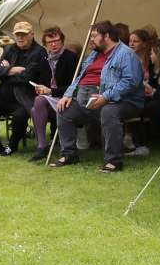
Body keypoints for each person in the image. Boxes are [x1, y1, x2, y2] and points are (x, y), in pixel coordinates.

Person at [50, 21, 146, 172]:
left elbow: (130, 82)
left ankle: (113, 160)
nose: (91, 40)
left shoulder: (125, 54)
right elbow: (80, 76)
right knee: (64, 109)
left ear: (106, 36)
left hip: (125, 101)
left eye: (94, 36)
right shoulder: (94, 54)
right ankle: (69, 154)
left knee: (108, 111)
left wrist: (106, 96)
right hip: (91, 99)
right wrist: (68, 94)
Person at [0, 20, 50, 155]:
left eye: (23, 34)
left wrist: (6, 71)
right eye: (17, 34)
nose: (20, 37)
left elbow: (26, 78)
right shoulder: (10, 49)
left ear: (31, 35)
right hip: (4, 96)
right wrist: (13, 70)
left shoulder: (39, 52)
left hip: (25, 97)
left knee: (19, 116)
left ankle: (12, 146)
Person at [27, 26, 79, 162]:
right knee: (37, 103)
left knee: (36, 105)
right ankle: (42, 146)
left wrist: (50, 91)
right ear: (45, 44)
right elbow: (39, 81)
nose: (54, 44)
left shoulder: (71, 58)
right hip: (49, 99)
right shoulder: (44, 59)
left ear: (62, 41)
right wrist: (39, 88)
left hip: (66, 98)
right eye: (50, 42)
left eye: (56, 40)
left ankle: (42, 147)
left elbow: (73, 86)